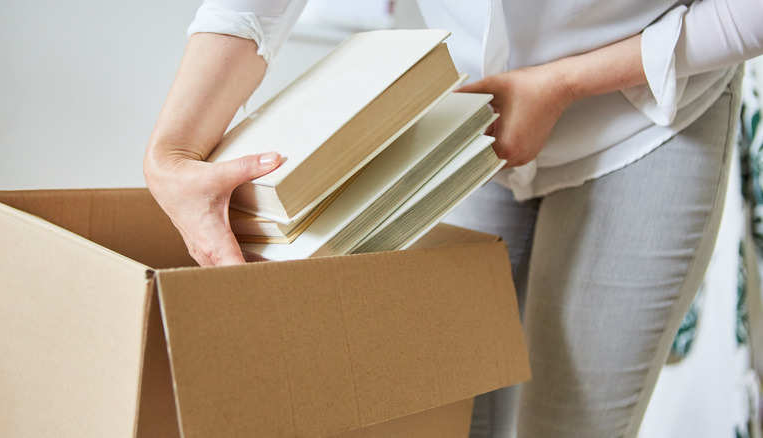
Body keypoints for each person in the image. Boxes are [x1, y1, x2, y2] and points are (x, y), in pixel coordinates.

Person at [143, 0, 763, 436]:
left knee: (573, 424)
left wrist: (561, 84)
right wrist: (169, 152)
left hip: (644, 112)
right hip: (468, 116)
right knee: (451, 409)